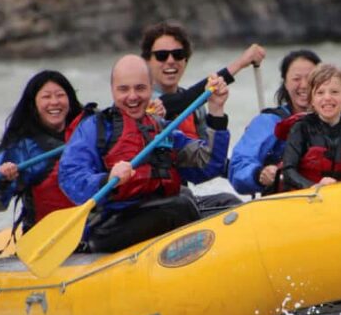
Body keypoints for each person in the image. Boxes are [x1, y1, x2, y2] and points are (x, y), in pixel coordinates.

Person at [58, 54, 231, 253]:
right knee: (180, 205)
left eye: (140, 88)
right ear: (113, 90)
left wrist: (216, 110)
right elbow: (69, 176)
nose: (132, 96)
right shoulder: (96, 128)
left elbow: (208, 165)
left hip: (162, 209)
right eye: (124, 89)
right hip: (110, 223)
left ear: (151, 87)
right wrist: (107, 179)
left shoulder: (162, 128)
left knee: (228, 203)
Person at [0, 70, 95, 232]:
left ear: (70, 100)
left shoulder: (92, 129)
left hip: (96, 227)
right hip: (49, 234)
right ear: (34, 104)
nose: (54, 102)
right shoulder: (22, 149)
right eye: (46, 97)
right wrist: (3, 181)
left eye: (60, 95)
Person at [140, 21, 265, 140]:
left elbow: (211, 153)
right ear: (147, 61)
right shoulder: (141, 102)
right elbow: (180, 101)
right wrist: (241, 63)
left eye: (178, 54)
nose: (171, 61)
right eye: (161, 55)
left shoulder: (197, 108)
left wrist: (217, 111)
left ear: (186, 59)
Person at [228, 49, 321, 195]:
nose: (304, 85)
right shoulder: (269, 122)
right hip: (285, 202)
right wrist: (259, 174)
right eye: (296, 79)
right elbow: (239, 167)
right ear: (285, 83)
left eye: (310, 78)